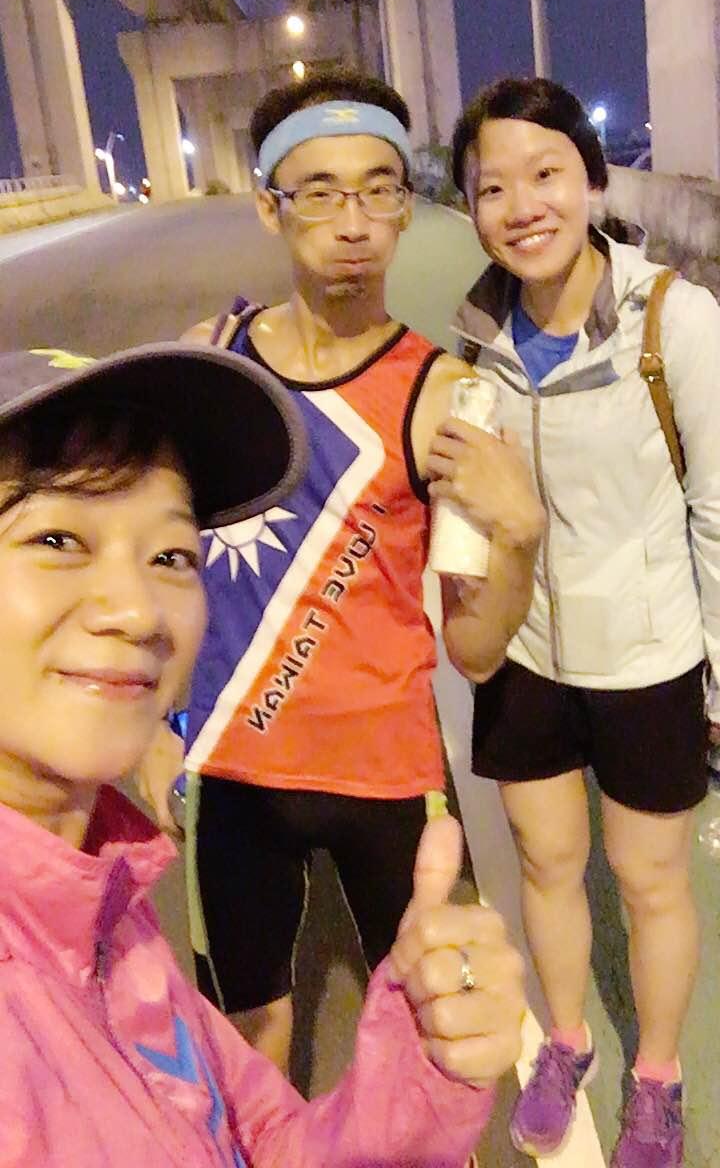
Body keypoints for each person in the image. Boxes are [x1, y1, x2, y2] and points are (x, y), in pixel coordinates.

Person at [0, 340, 527, 1167]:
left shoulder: (105, 906)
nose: (137, 609)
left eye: (172, 555)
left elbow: (262, 1139)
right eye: (58, 539)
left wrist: (418, 1080)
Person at [138, 67, 544, 1073]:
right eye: (320, 192)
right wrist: (152, 731)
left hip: (384, 774)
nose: (354, 222)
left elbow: (475, 649)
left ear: (407, 205)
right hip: (236, 771)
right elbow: (156, 563)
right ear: (271, 207)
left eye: (379, 188)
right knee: (250, 1034)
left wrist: (521, 535)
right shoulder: (214, 363)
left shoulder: (443, 395)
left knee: (425, 1037)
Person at [444, 75, 720, 1168]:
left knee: (650, 881)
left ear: (593, 180)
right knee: (548, 865)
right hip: (527, 652)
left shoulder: (674, 319)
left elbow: (718, 511)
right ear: (470, 206)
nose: (523, 206)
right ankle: (567, 1042)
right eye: (492, 186)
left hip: (649, 655)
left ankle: (658, 1074)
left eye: (547, 173)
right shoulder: (475, 338)